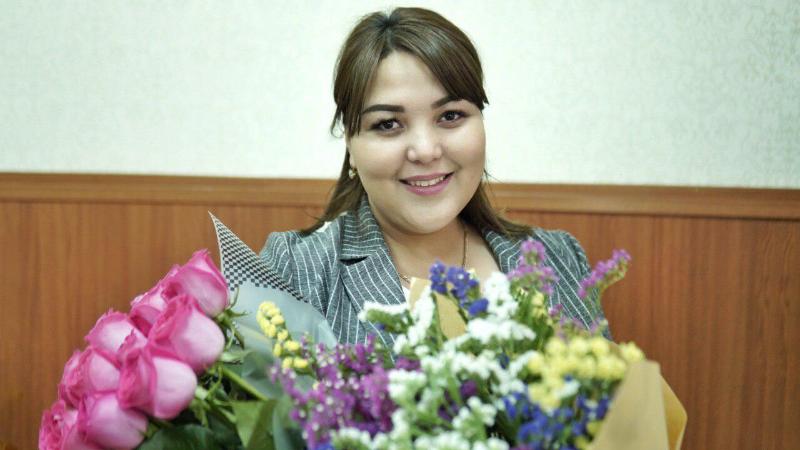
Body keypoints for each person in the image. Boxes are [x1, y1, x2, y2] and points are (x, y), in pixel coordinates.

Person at [260, 7, 609, 348]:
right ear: (350, 142)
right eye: (387, 124)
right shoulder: (295, 269)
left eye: (450, 116)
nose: (426, 150)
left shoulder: (558, 256)